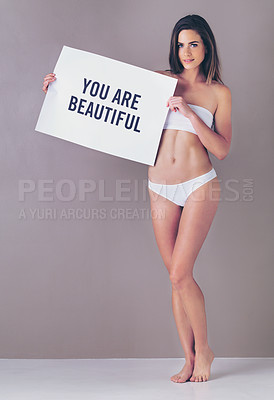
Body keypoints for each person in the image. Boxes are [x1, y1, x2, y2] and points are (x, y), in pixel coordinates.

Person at [42, 14, 232, 384]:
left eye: (193, 43)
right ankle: (190, 359)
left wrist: (190, 113)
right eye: (181, 44)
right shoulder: (158, 82)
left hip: (198, 185)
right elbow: (105, 110)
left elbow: (222, 149)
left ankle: (205, 349)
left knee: (181, 271)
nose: (187, 52)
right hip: (159, 186)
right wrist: (58, 90)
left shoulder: (218, 93)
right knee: (175, 278)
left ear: (206, 45)